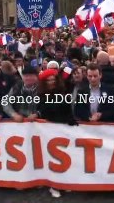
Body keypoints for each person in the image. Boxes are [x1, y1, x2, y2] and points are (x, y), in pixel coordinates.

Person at [36, 68, 77, 198]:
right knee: (53, 158)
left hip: (63, 129)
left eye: (53, 79)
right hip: (50, 129)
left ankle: (65, 182)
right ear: (44, 83)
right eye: (48, 81)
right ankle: (54, 185)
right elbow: (47, 112)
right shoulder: (42, 96)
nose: (51, 82)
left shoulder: (63, 92)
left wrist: (70, 118)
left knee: (66, 157)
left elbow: (67, 108)